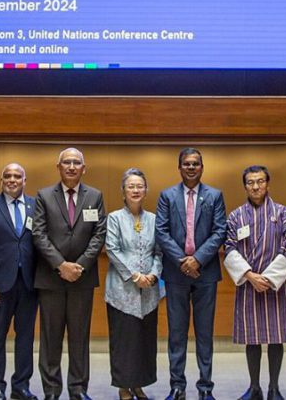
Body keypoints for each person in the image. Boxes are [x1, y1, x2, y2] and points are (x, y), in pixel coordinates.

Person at [32, 147, 107, 400]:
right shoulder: (44, 196)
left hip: (82, 280)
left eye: (77, 163)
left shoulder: (95, 196)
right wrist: (60, 265)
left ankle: (78, 390)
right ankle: (52, 391)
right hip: (50, 279)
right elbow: (38, 234)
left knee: (79, 338)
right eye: (67, 162)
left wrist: (80, 266)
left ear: (84, 168)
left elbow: (99, 234)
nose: (72, 166)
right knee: (50, 338)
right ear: (58, 167)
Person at [155, 148, 227, 400]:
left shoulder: (215, 196)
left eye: (196, 163)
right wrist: (182, 261)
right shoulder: (167, 196)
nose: (191, 167)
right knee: (177, 334)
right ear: (179, 168)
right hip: (176, 274)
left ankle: (205, 387)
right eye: (187, 164)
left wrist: (197, 259)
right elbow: (161, 231)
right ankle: (177, 386)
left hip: (206, 273)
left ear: (202, 167)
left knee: (205, 334)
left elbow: (220, 231)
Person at [223, 166, 286, 400]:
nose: (255, 186)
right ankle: (254, 387)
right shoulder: (236, 216)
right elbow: (229, 248)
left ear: (267, 183)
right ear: (245, 186)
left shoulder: (282, 213)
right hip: (248, 284)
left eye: (260, 181)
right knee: (251, 338)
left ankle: (274, 388)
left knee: (276, 337)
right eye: (250, 182)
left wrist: (268, 278)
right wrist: (250, 275)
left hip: (275, 285)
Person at [0, 163, 40, 400]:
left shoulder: (36, 206)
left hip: (29, 284)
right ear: (1, 180)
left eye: (17, 176)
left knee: (26, 337)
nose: (12, 180)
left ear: (24, 180)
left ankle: (21, 386)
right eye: (8, 176)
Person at [105, 168, 162, 400]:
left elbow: (159, 252)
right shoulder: (114, 218)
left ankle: (138, 384)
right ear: (123, 191)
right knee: (124, 341)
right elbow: (112, 249)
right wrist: (135, 275)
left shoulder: (154, 220)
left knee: (144, 342)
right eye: (131, 186)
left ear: (146, 190)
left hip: (149, 292)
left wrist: (153, 275)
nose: (136, 190)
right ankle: (123, 386)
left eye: (140, 186)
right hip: (121, 291)